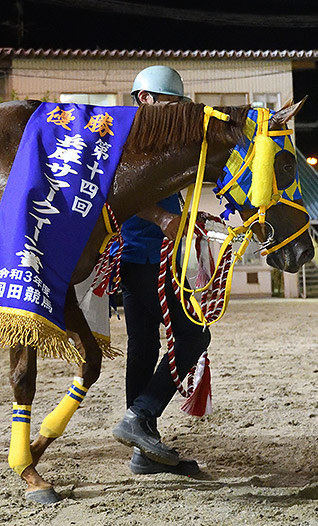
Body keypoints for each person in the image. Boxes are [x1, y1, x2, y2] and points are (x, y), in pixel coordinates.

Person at [111, 66, 211, 476]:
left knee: (146, 347)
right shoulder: (127, 139)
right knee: (193, 335)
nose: (175, 111)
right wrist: (161, 220)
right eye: (170, 102)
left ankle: (141, 445)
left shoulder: (158, 141)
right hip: (140, 258)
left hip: (160, 258)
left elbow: (165, 200)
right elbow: (114, 193)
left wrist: (187, 215)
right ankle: (139, 420)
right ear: (145, 99)